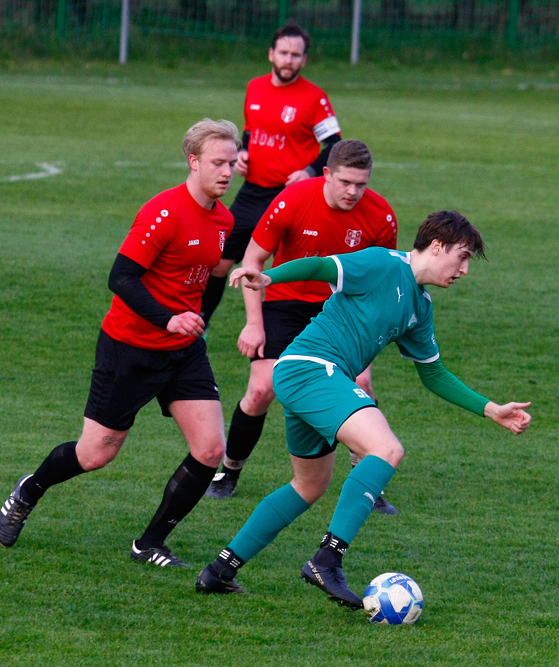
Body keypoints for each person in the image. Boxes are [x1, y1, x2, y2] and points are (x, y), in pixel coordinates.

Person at [193, 211, 533, 606]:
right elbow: (323, 266)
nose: (465, 269)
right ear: (437, 247)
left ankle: (220, 570)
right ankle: (327, 559)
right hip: (311, 369)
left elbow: (433, 374)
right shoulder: (382, 262)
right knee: (386, 449)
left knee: (308, 486)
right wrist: (269, 277)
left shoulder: (420, 308)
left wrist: (491, 409)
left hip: (312, 378)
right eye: (463, 256)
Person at [0, 119, 241, 567]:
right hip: (129, 347)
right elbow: (121, 277)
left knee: (210, 449)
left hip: (183, 352)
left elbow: (206, 277)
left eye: (232, 162)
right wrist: (167, 318)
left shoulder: (224, 218)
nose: (227, 171)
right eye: (218, 162)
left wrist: (197, 317)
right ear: (193, 162)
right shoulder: (163, 212)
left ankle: (149, 543)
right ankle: (28, 491)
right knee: (94, 455)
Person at [205, 139, 402, 515]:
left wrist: (368, 349)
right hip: (286, 300)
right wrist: (253, 324)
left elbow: (379, 284)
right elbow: (253, 260)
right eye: (345, 182)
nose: (353, 192)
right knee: (262, 387)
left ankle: (367, 483)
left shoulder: (381, 216)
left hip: (342, 309)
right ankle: (229, 472)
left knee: (361, 384)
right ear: (326, 173)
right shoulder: (293, 199)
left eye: (361, 184)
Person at [200, 21, 341, 330]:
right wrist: (244, 154)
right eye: (283, 53)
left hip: (292, 196)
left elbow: (334, 145)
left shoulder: (314, 98)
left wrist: (308, 171)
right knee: (219, 263)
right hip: (252, 193)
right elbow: (251, 129)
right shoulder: (255, 87)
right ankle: (201, 327)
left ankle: (288, 334)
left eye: (295, 55)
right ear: (271, 54)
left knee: (286, 272)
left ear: (304, 60)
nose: (288, 60)